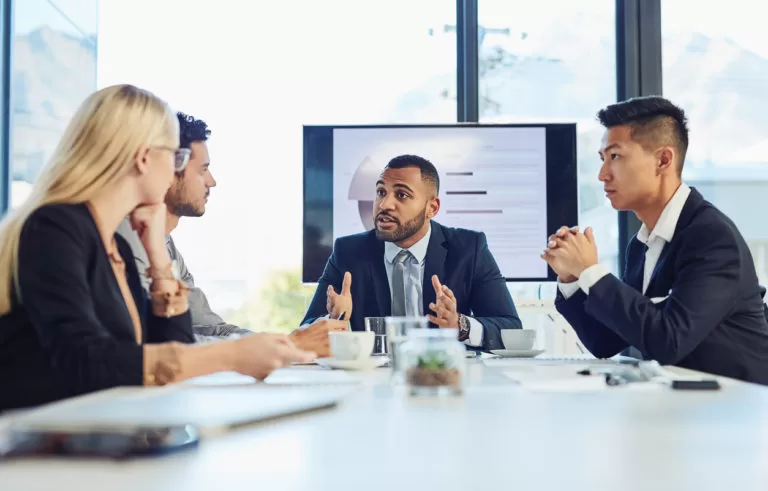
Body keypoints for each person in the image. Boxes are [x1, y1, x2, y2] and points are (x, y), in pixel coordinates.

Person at [0, 85, 315, 412]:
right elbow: (84, 359)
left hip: (90, 431)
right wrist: (231, 356)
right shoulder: (55, 228)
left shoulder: (117, 243)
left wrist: (158, 259)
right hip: (32, 444)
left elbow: (166, 351)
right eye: (175, 156)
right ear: (144, 158)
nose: (176, 169)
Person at [543, 96, 768, 384]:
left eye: (615, 156)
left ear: (663, 160)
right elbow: (605, 341)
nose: (602, 175)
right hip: (682, 408)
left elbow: (669, 341)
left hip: (737, 410)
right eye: (602, 158)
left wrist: (591, 271)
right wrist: (572, 279)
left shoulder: (712, 238)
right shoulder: (642, 245)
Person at [117, 111, 346, 353]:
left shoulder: (166, 245)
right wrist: (287, 345)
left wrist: (285, 343)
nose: (212, 181)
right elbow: (163, 341)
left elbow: (207, 326)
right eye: (202, 170)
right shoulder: (126, 239)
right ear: (170, 169)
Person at [301, 154, 521, 351]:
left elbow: (510, 328)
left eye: (402, 195)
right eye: (381, 192)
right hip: (374, 385)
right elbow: (306, 328)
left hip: (443, 380)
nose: (384, 204)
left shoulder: (468, 248)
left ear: (432, 208)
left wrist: (459, 324)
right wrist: (332, 319)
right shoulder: (348, 252)